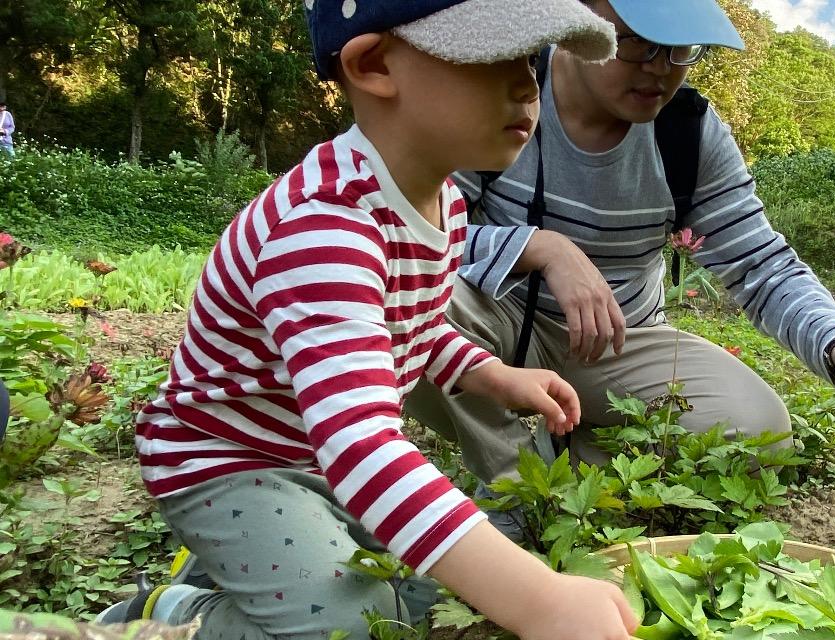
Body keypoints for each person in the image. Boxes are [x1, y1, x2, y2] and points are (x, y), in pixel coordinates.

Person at [96, 2, 638, 639]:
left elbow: (413, 324)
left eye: (529, 58)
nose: (527, 85)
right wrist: (542, 603)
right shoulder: (324, 228)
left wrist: (492, 375)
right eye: (494, 56)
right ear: (375, 65)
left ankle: (256, 568)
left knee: (429, 593)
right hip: (232, 463)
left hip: (318, 456)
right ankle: (173, 614)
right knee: (354, 627)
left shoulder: (443, 203)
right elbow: (361, 446)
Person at [404, 0, 835, 511]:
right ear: (578, 19)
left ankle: (562, 460)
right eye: (637, 42)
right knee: (402, 303)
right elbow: (407, 233)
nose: (660, 69)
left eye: (681, 47)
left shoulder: (687, 132)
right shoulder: (506, 88)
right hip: (496, 323)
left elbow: (761, 263)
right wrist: (538, 247)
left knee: (759, 434)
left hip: (620, 343)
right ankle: (515, 488)